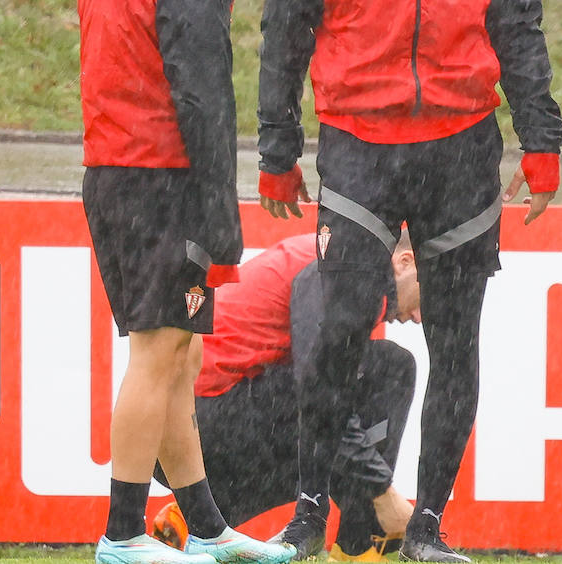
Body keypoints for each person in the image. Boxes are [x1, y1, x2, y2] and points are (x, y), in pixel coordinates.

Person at [256, 0, 562, 564]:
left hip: (464, 153)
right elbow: (282, 37)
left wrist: (543, 141)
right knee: (341, 331)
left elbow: (521, 29)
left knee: (458, 342)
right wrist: (277, 147)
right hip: (359, 151)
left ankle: (426, 528)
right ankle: (305, 518)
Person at [79, 0, 295, 564]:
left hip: (113, 166)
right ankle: (122, 534)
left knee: (180, 354)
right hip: (159, 173)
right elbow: (202, 92)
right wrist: (219, 208)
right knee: (160, 349)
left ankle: (205, 526)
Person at [153, 230, 421, 563]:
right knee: (389, 369)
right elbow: (317, 384)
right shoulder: (343, 267)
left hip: (185, 426)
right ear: (405, 262)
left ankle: (201, 515)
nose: (419, 317)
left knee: (352, 397)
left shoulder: (343, 253)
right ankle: (360, 547)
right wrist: (381, 492)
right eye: (428, 297)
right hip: (200, 421)